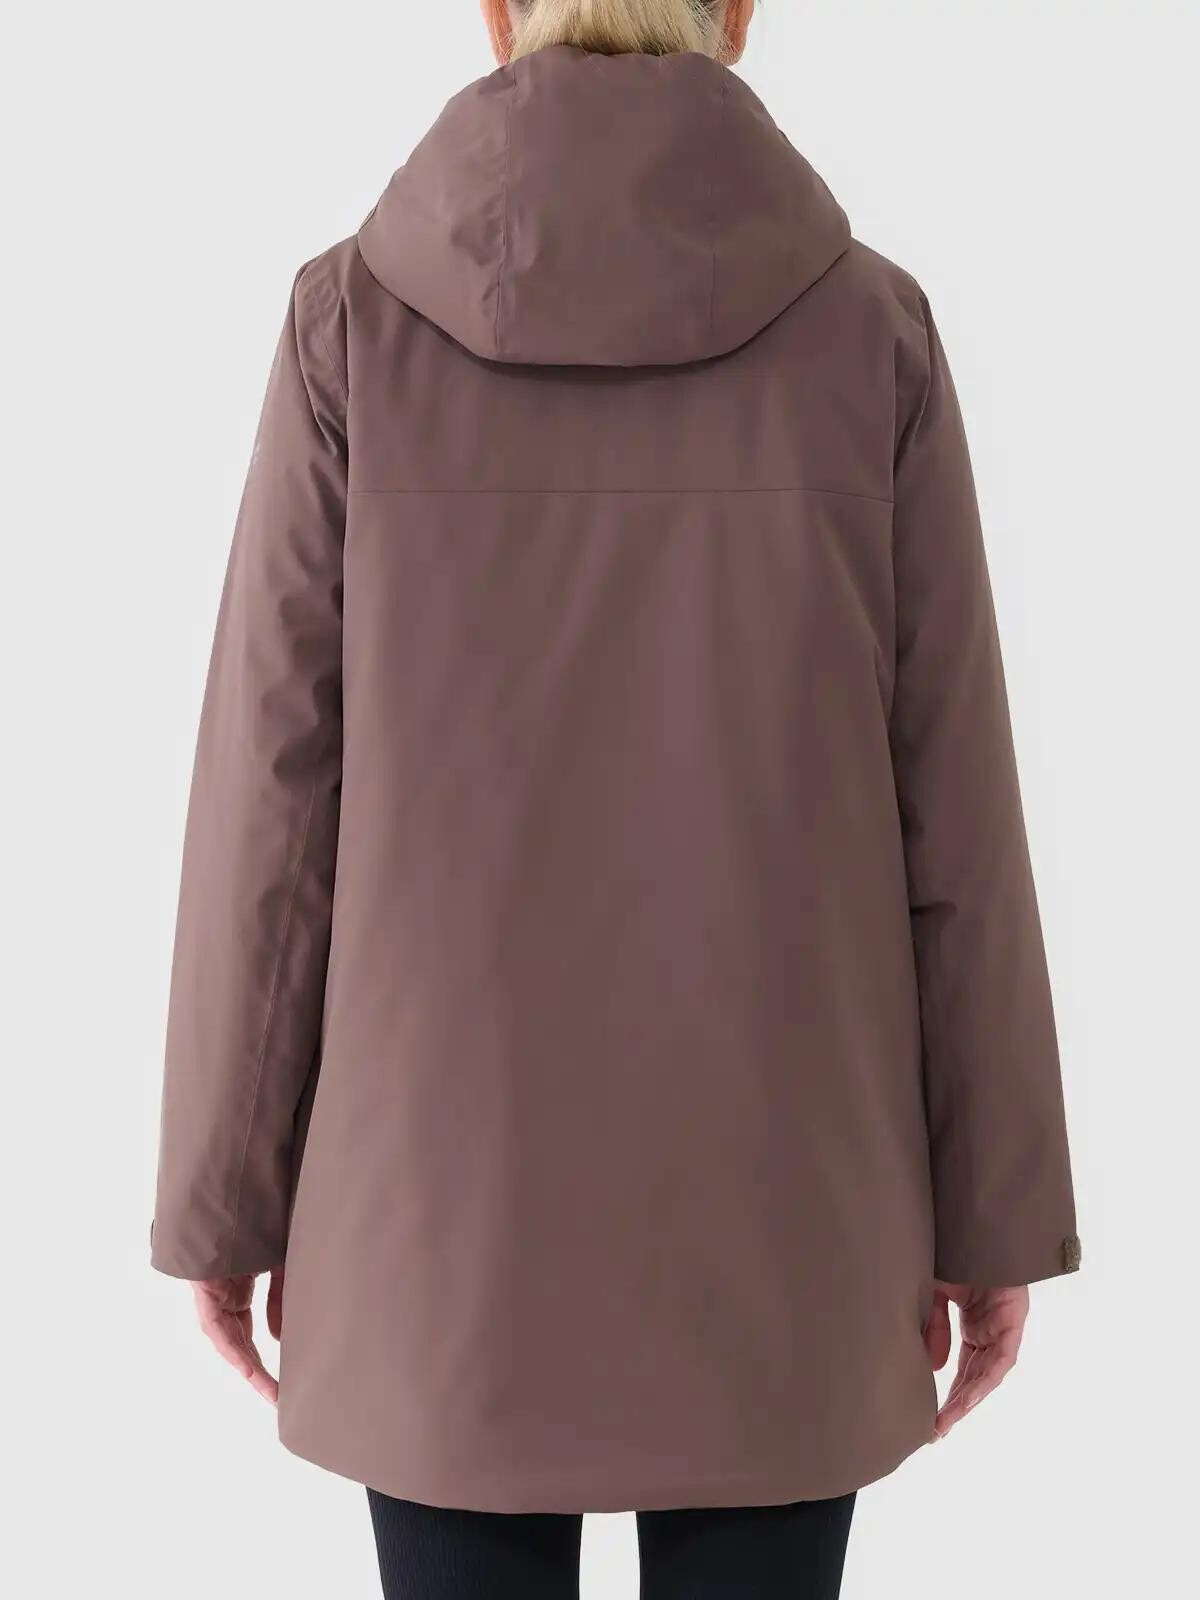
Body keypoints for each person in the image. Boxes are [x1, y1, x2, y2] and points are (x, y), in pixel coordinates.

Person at [150, 2, 1080, 1594]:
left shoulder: (349, 329)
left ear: (498, 12)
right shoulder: (871, 335)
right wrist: (994, 1214)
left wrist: (219, 1197)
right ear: (738, 12)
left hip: (437, 1235)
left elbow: (272, 809)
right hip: (786, 1231)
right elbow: (956, 819)